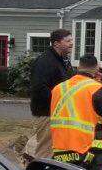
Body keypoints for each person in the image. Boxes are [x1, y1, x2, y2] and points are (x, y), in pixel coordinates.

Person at [22, 28, 76, 161]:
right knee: (46, 150)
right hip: (47, 113)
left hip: (58, 113)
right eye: (67, 41)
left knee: (57, 149)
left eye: (72, 40)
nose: (71, 43)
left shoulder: (63, 60)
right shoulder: (46, 61)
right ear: (56, 43)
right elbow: (39, 87)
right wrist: (59, 102)